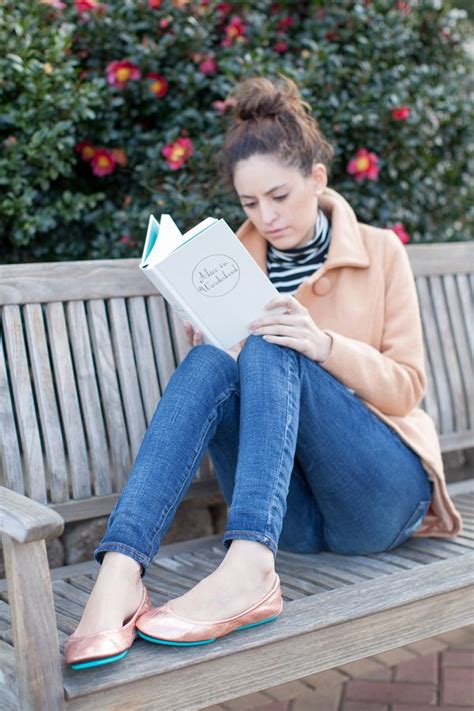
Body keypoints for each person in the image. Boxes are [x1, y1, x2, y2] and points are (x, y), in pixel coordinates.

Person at [65, 76, 462, 668]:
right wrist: (211, 339)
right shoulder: (229, 261)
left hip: (379, 498)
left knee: (276, 343)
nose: (267, 217)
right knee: (213, 359)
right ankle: (120, 575)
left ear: (317, 180)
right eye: (250, 204)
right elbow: (227, 402)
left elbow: (407, 389)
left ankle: (248, 571)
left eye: (279, 196)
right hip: (286, 520)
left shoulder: (380, 251)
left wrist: (323, 343)